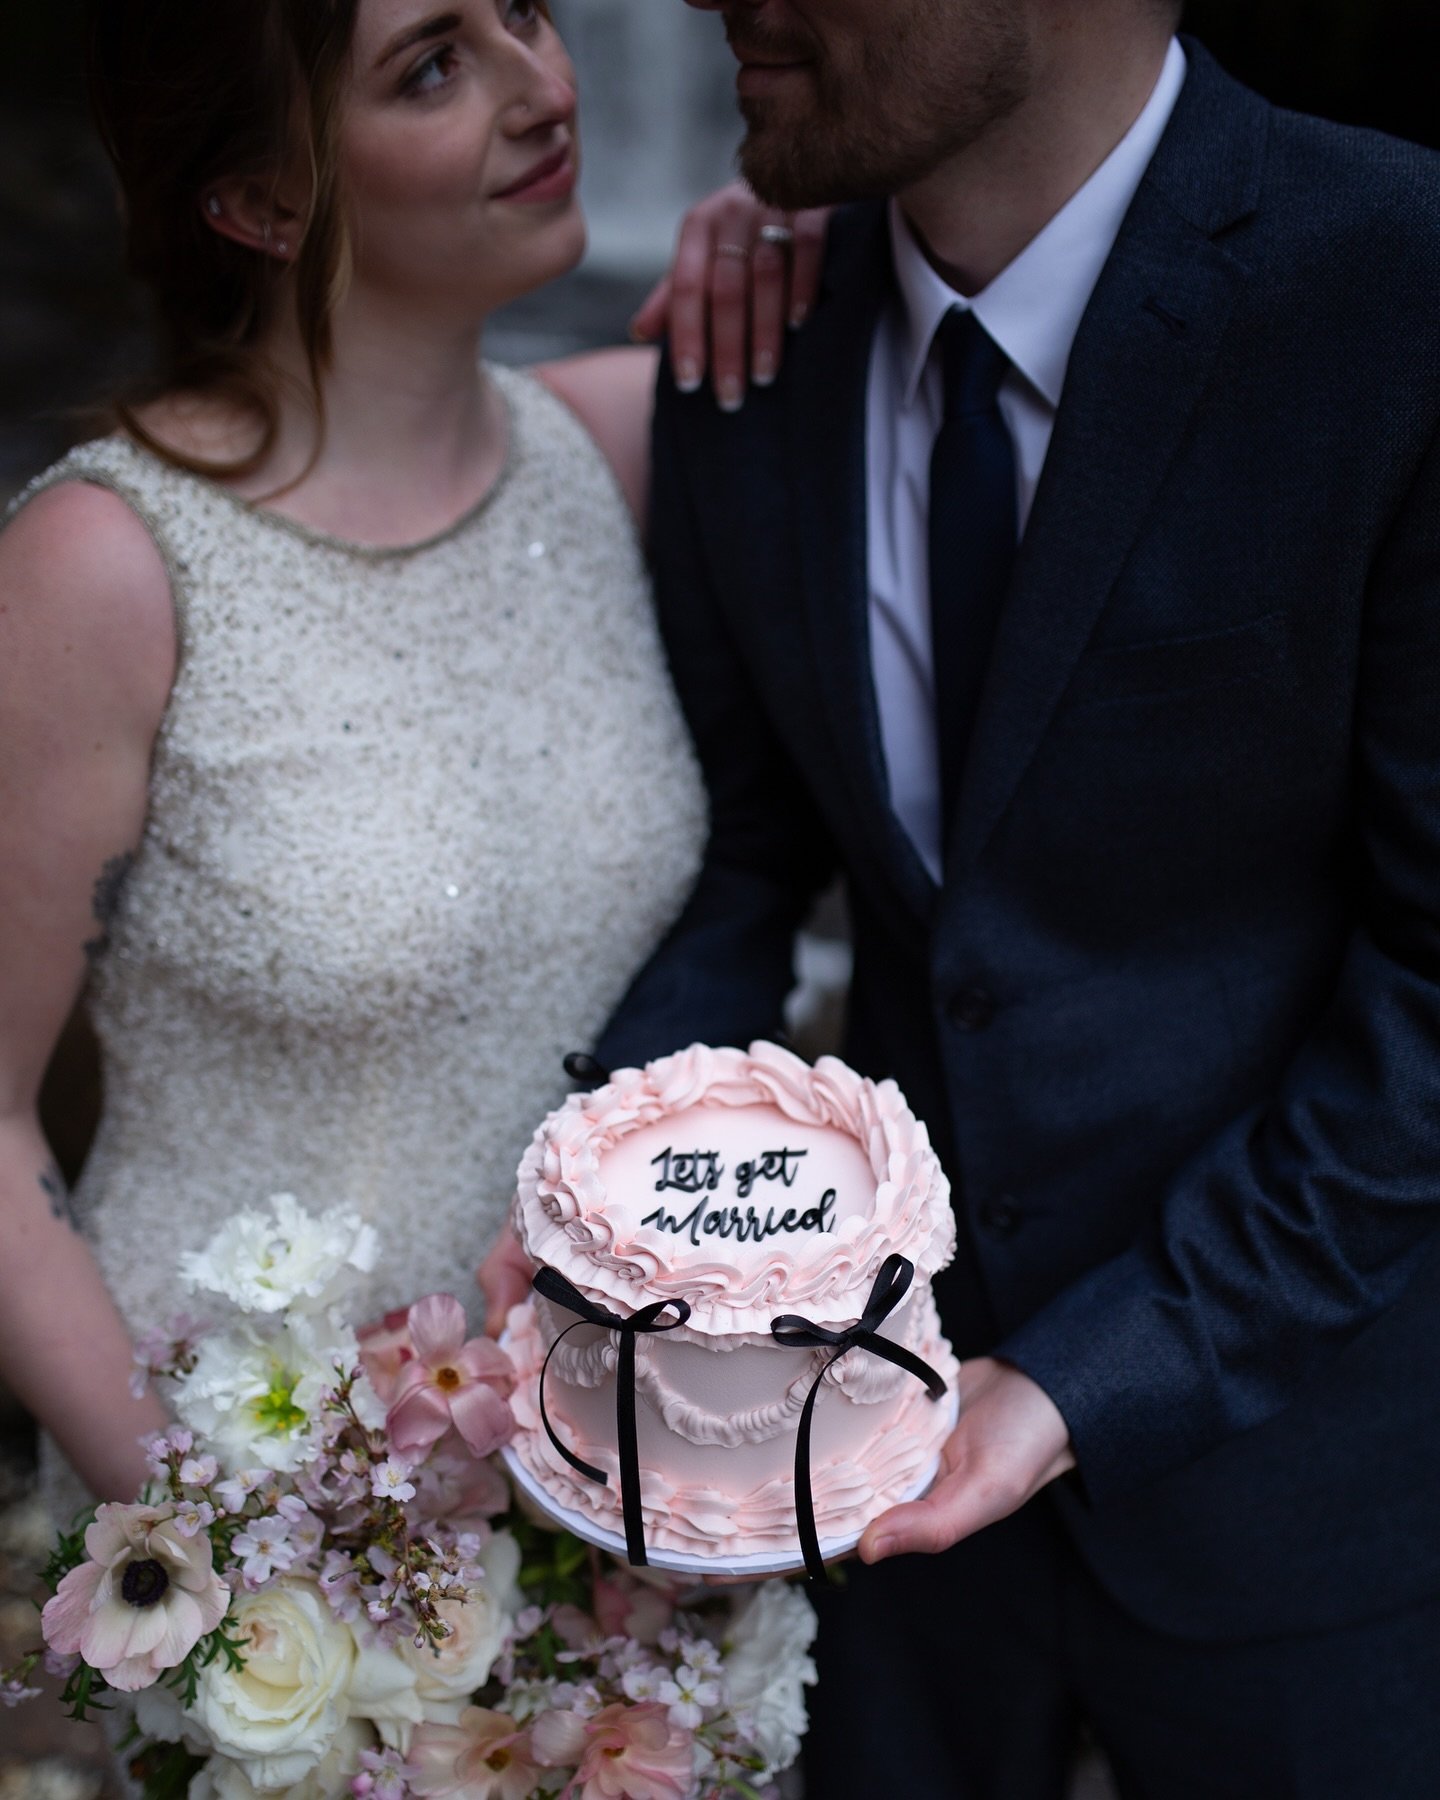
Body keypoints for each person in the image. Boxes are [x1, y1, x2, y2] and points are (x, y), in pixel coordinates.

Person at [486, 0, 1440, 1792]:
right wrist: (596, 1199)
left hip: (1321, 1496)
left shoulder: (1400, 289)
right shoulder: (745, 333)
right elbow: (750, 860)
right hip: (853, 1491)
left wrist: (1096, 1378)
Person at [0, 0, 816, 1523]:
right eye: (434, 67)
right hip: (242, 1482)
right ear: (257, 201)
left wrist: (786, 226)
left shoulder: (621, 451)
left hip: (604, 1499)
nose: (544, 87)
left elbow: (957, 307)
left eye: (523, 13)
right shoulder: (107, 566)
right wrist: (208, 1565)